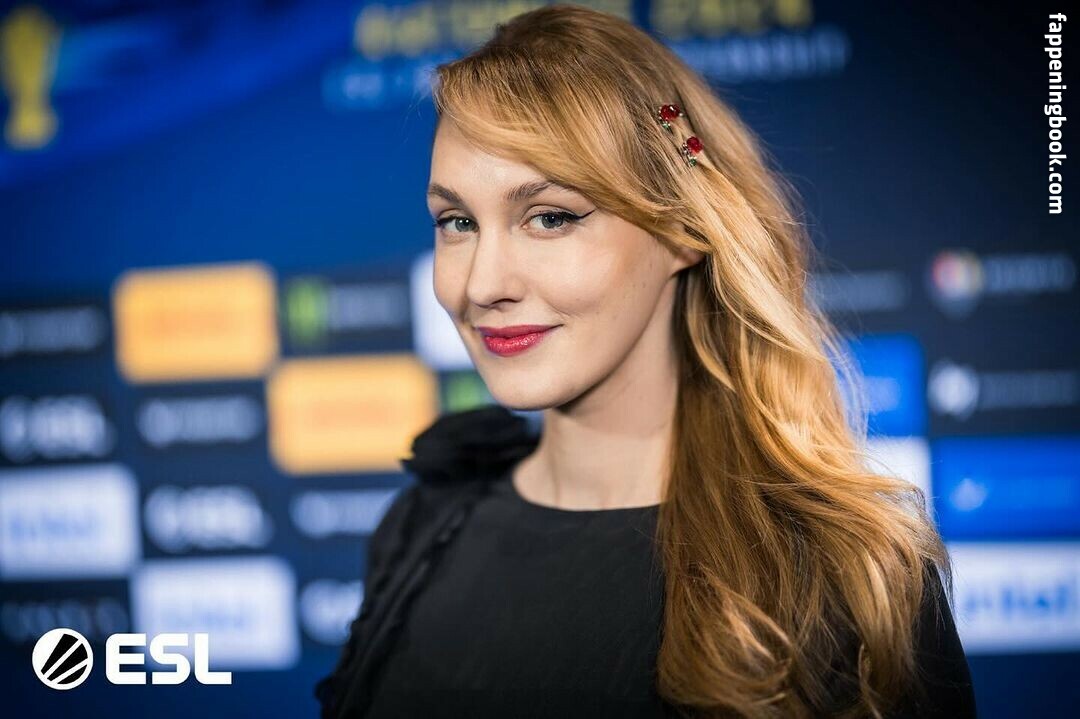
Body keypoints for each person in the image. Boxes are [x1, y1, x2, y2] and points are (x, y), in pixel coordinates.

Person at [315, 4, 977, 718]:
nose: (482, 284)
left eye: (550, 217)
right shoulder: (422, 529)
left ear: (685, 227)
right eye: (458, 222)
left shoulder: (848, 577)